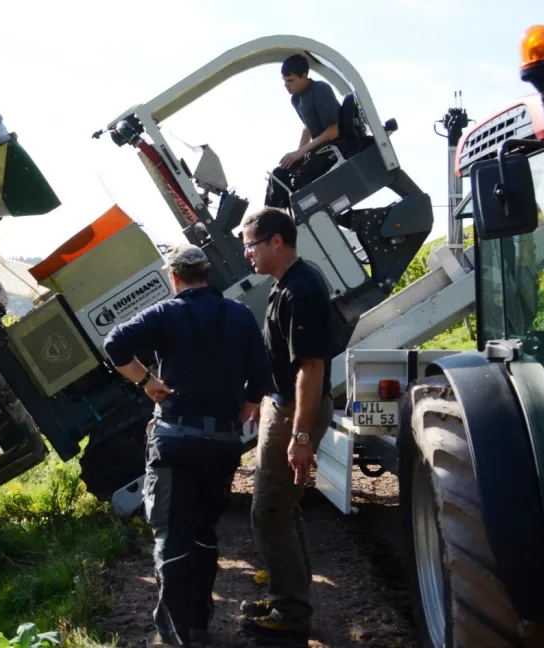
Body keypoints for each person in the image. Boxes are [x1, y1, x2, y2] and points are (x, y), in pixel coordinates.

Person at [104, 243, 271, 647]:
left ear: (173, 277)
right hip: (223, 444)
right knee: (203, 532)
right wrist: (247, 404)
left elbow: (115, 344)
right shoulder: (240, 314)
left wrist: (147, 382)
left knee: (172, 535)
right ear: (208, 274)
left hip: (175, 441)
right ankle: (198, 621)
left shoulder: (166, 313)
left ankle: (178, 634)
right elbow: (262, 373)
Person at [237, 207, 338, 645]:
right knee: (282, 509)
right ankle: (287, 596)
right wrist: (266, 400)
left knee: (269, 512)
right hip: (280, 405)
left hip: (296, 412)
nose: (247, 255)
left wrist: (299, 436)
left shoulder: (302, 290)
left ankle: (291, 613)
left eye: (251, 245)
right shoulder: (286, 285)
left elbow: (311, 369)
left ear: (276, 241)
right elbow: (283, 361)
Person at [265, 54, 344, 209]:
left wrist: (301, 152)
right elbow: (307, 127)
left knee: (298, 181)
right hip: (319, 151)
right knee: (279, 174)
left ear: (304, 76)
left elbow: (333, 131)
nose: (286, 85)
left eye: (291, 80)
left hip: (335, 149)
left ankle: (285, 225)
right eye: (284, 81)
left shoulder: (320, 89)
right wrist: (298, 154)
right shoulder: (296, 99)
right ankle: (267, 222)